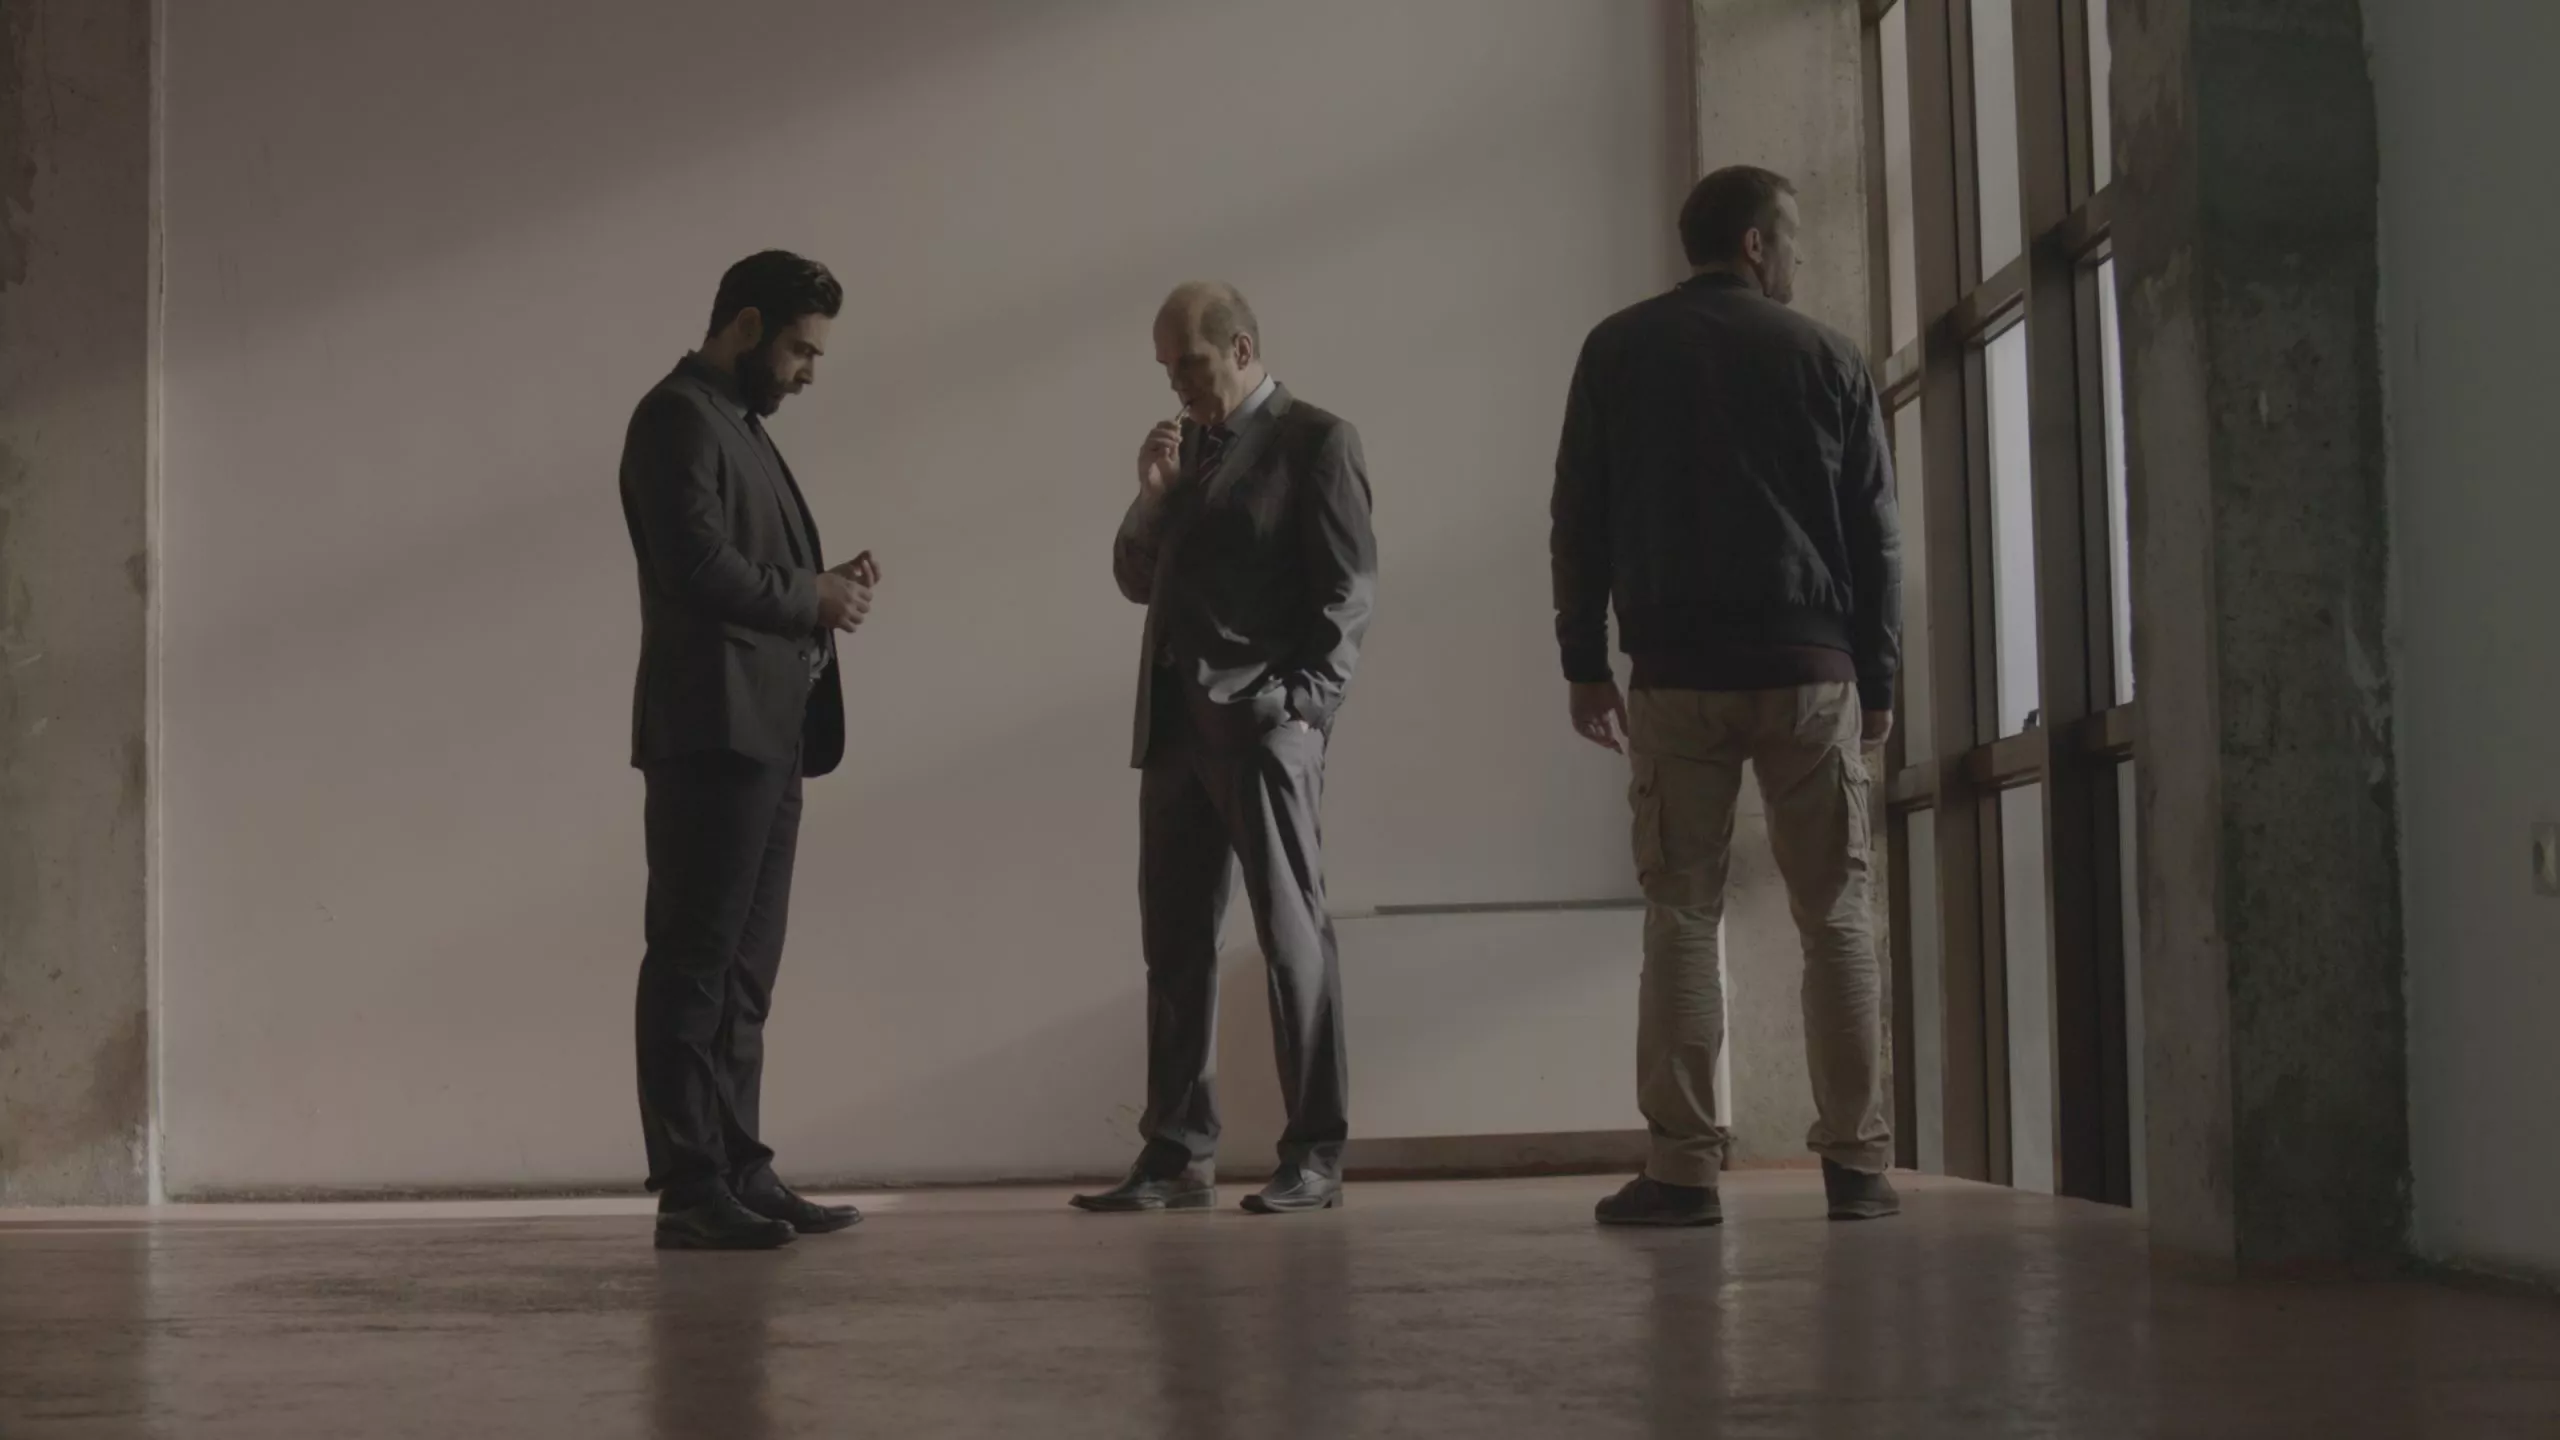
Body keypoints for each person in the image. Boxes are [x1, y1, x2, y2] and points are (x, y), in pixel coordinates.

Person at [1549, 167, 1904, 1227]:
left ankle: (1683, 1172)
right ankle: (1857, 1167)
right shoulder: (1829, 357)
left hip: (1677, 676)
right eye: (1791, 237)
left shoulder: (1617, 348)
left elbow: (1578, 516)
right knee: (1835, 915)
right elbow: (1875, 536)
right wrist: (1879, 678)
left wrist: (1583, 661)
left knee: (1682, 913)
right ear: (1755, 243)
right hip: (1810, 675)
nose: (1798, 256)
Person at [1074, 282, 1378, 1216]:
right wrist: (1151, 498)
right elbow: (1135, 579)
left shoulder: (1315, 441)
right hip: (1172, 732)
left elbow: (1349, 593)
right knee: (1174, 945)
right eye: (1166, 369)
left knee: (1293, 938)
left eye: (1190, 365)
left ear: (1241, 349)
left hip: (1263, 732)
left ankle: (1315, 1153)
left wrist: (1302, 710)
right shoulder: (1189, 451)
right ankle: (1176, 1154)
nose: (1177, 385)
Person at [619, 250, 880, 1250]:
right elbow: (692, 564)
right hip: (710, 731)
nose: (808, 372)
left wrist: (824, 581)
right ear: (745, 327)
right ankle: (690, 1187)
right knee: (694, 962)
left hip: (766, 734)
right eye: (801, 351)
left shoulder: (735, 422)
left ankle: (739, 1167)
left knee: (743, 973)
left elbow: (742, 564)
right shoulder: (675, 417)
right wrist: (809, 594)